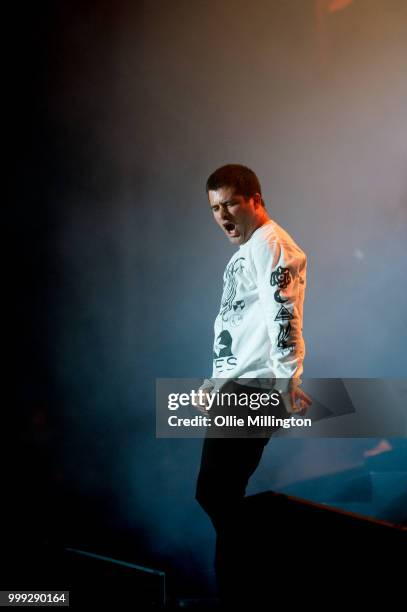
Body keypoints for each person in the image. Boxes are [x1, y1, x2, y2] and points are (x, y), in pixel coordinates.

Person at [193, 164, 311, 605]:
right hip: (237, 387)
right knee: (218, 495)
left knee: (216, 493)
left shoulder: (273, 246)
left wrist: (285, 381)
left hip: (256, 390)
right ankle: (249, 588)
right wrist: (215, 381)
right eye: (215, 208)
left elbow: (285, 316)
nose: (223, 215)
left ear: (255, 200)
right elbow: (239, 327)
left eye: (230, 204)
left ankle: (264, 583)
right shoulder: (248, 250)